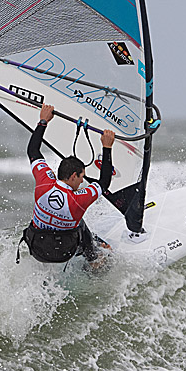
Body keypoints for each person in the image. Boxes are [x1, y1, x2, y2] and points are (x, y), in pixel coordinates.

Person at [18, 103, 115, 265]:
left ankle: (94, 245)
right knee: (80, 224)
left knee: (50, 221)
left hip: (37, 250)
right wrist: (107, 147)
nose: (83, 181)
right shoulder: (79, 200)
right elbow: (104, 183)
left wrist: (43, 121)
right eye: (81, 176)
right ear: (73, 176)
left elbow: (33, 151)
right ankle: (94, 261)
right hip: (65, 252)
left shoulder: (44, 183)